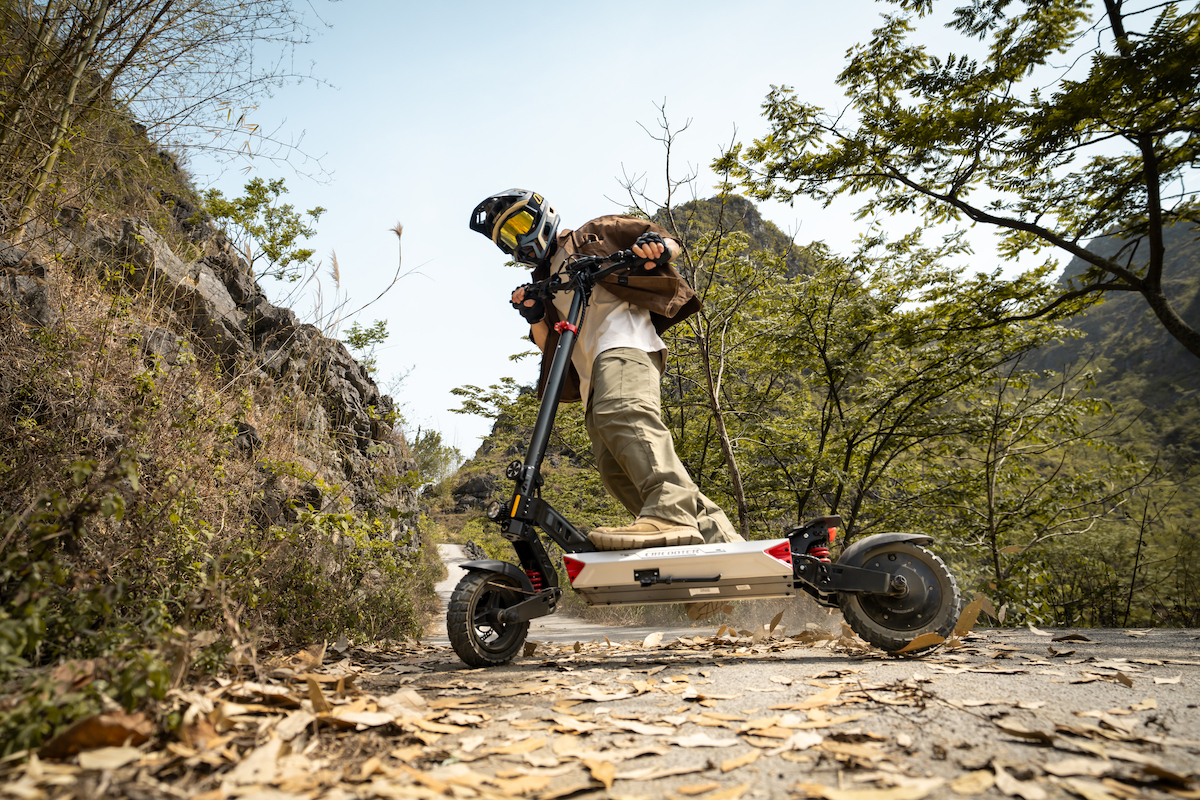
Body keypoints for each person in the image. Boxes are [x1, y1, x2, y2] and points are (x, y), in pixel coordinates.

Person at [470, 188, 743, 552]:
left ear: (542, 215)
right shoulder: (543, 283)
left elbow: (665, 239)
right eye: (507, 237)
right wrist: (534, 313)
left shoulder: (595, 233)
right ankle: (719, 544)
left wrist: (656, 248)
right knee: (615, 469)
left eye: (519, 224)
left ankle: (671, 514)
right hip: (590, 377)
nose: (519, 240)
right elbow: (548, 345)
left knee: (623, 414)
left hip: (625, 344)